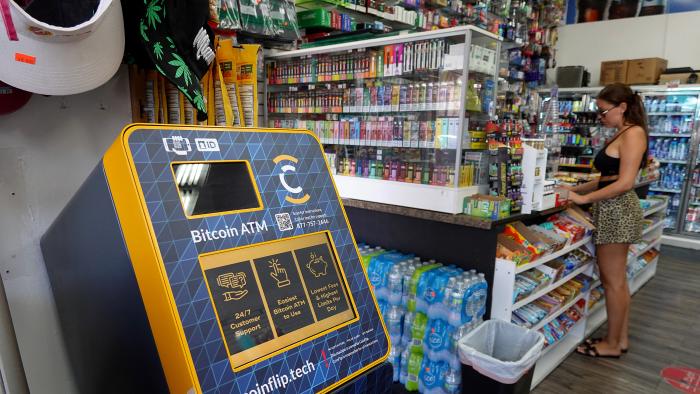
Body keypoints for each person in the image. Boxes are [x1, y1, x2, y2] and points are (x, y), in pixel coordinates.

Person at [564, 83, 649, 358]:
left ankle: (612, 345)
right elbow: (607, 179)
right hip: (613, 209)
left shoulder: (633, 133)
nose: (600, 117)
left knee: (613, 282)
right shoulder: (623, 133)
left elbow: (624, 183)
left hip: (618, 211)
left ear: (622, 107)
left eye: (603, 111)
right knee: (618, 281)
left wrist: (584, 200)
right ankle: (619, 339)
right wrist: (574, 191)